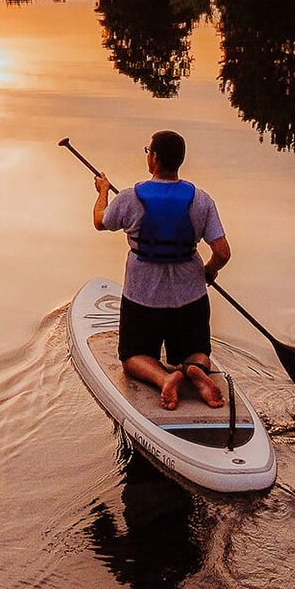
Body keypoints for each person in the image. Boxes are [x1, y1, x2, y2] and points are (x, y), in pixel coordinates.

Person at [93, 131, 232, 411]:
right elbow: (222, 252)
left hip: (143, 297)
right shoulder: (201, 199)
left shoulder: (130, 197)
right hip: (190, 296)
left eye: (148, 151)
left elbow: (100, 221)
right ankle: (195, 369)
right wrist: (208, 271)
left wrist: (103, 191)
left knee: (133, 356)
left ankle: (164, 377)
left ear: (154, 158)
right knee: (196, 351)